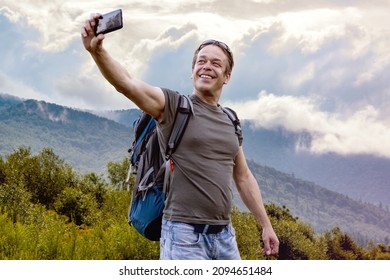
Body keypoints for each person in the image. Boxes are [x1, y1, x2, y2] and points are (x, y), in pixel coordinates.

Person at [81, 13, 279, 260]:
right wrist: (97, 52)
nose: (207, 66)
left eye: (216, 63)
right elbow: (127, 84)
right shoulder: (175, 107)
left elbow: (243, 176)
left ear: (227, 76)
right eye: (201, 61)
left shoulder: (230, 119)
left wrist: (266, 225)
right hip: (183, 236)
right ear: (193, 70)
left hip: (225, 236)